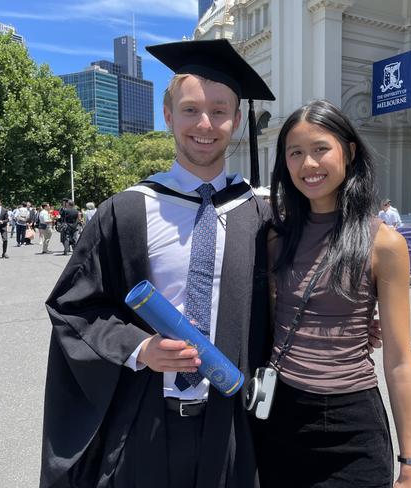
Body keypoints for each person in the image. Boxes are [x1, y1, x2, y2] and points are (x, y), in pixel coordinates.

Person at [39, 39, 276, 488]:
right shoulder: (125, 212)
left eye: (220, 111)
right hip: (144, 421)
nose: (205, 124)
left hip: (232, 426)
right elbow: (75, 306)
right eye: (190, 110)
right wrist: (140, 348)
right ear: (167, 115)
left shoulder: (258, 214)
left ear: (237, 120)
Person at [258, 100, 411, 488]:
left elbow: (400, 360)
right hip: (281, 414)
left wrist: (410, 464)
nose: (308, 164)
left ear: (348, 152)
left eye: (320, 149)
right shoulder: (274, 237)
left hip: (353, 421)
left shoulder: (384, 243)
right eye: (295, 153)